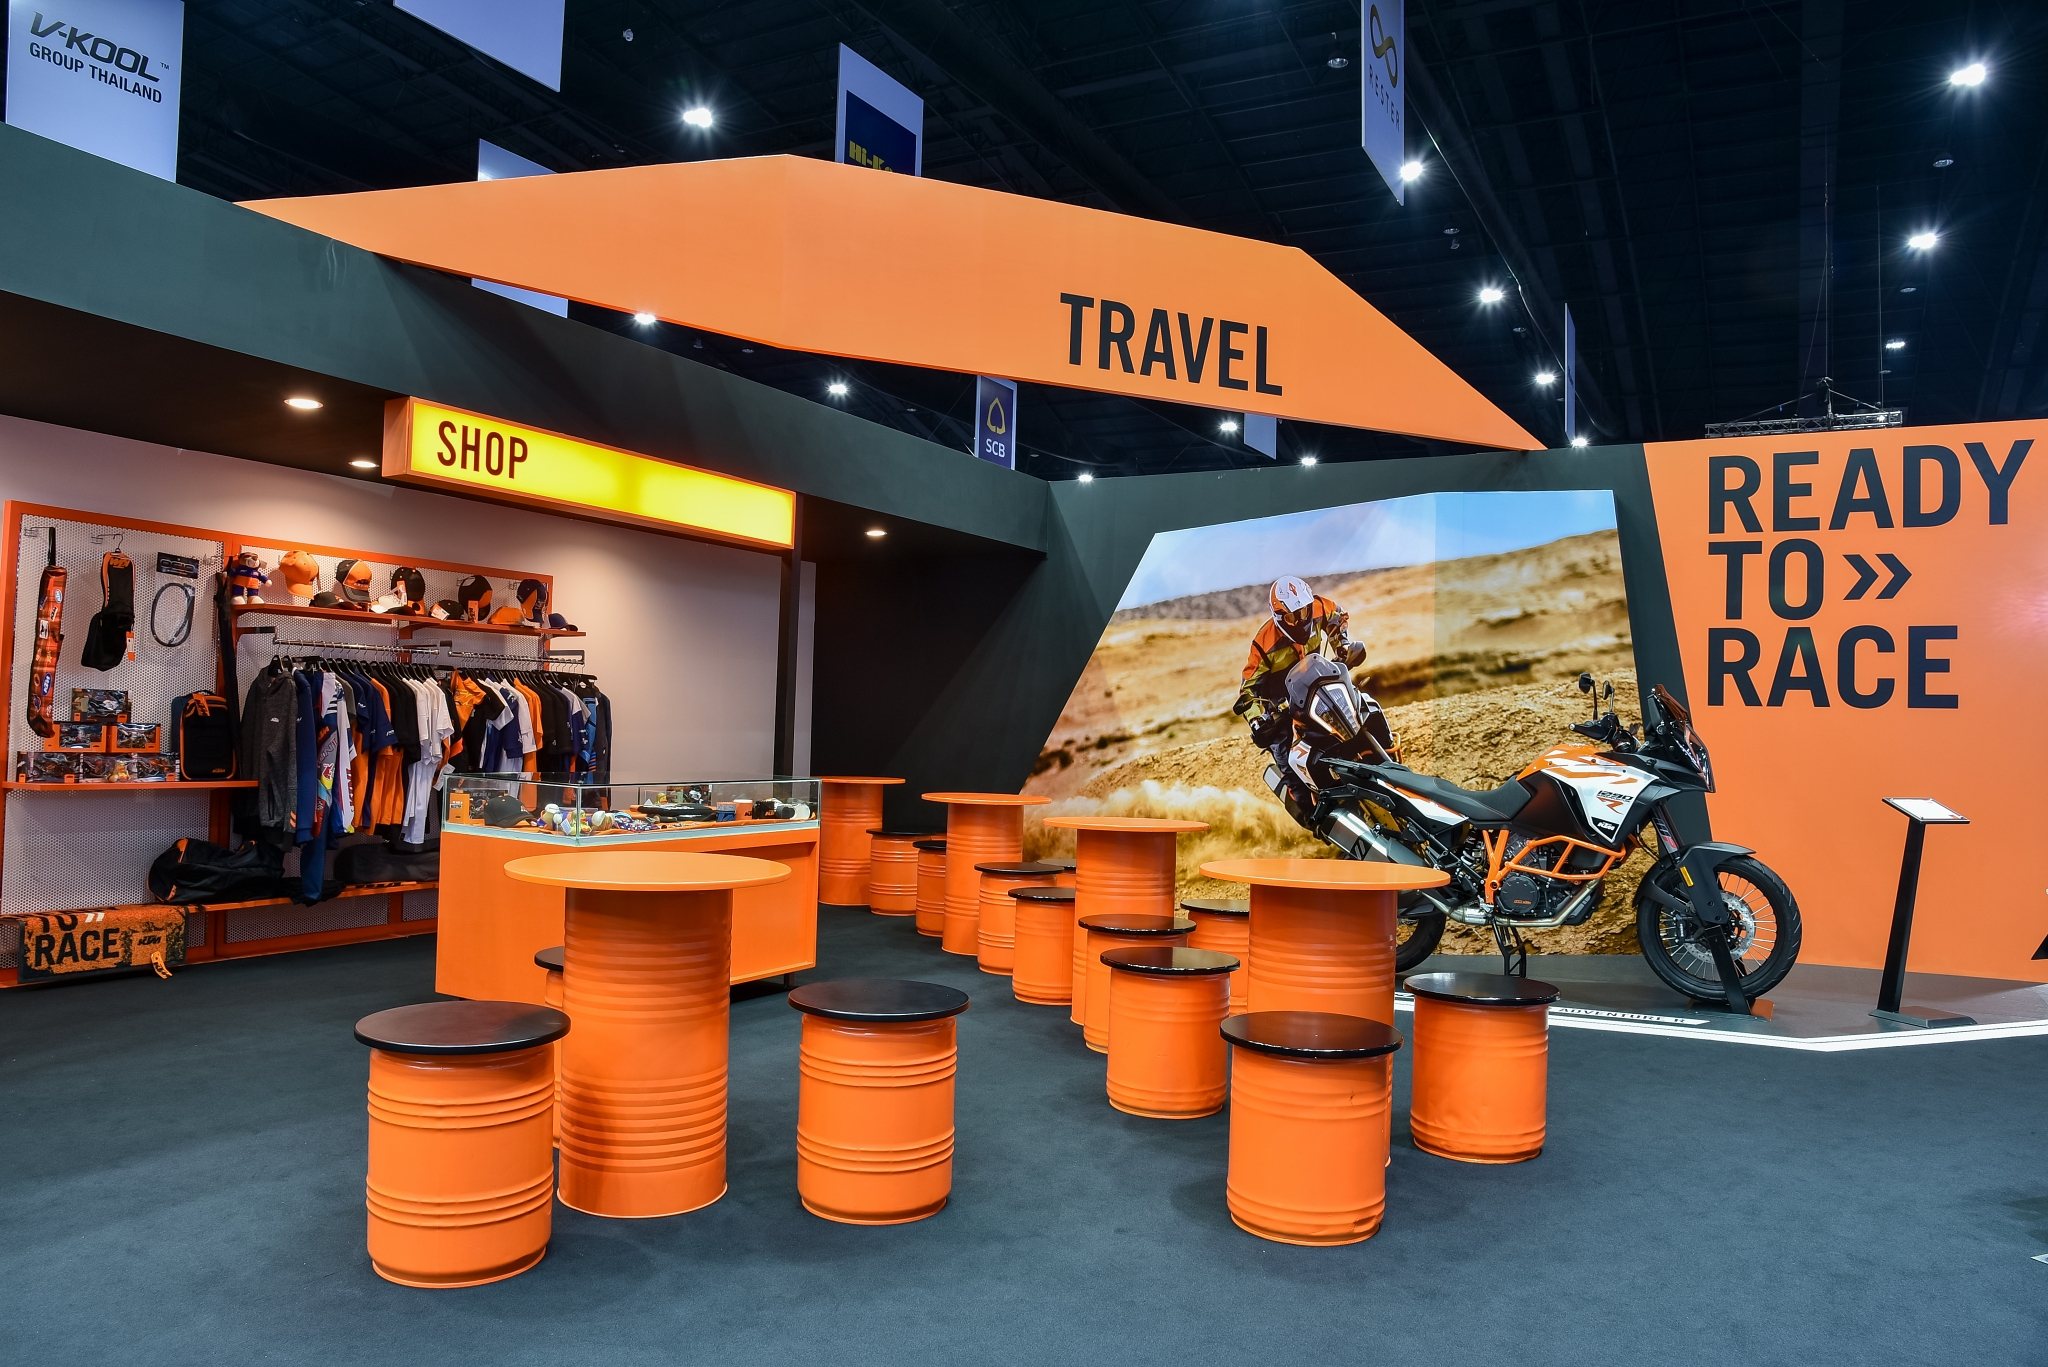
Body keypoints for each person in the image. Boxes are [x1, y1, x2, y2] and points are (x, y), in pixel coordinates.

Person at [1235, 576, 1374, 806]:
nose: (1301, 619)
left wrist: (1342, 645)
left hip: (1319, 688)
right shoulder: (1263, 643)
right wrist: (1257, 720)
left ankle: (1386, 756)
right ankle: (1310, 810)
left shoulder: (1319, 606)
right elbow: (1247, 689)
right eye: (1292, 616)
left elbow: (1338, 616)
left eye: (1304, 611)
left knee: (1362, 707)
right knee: (1288, 757)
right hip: (1284, 707)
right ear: (1279, 617)